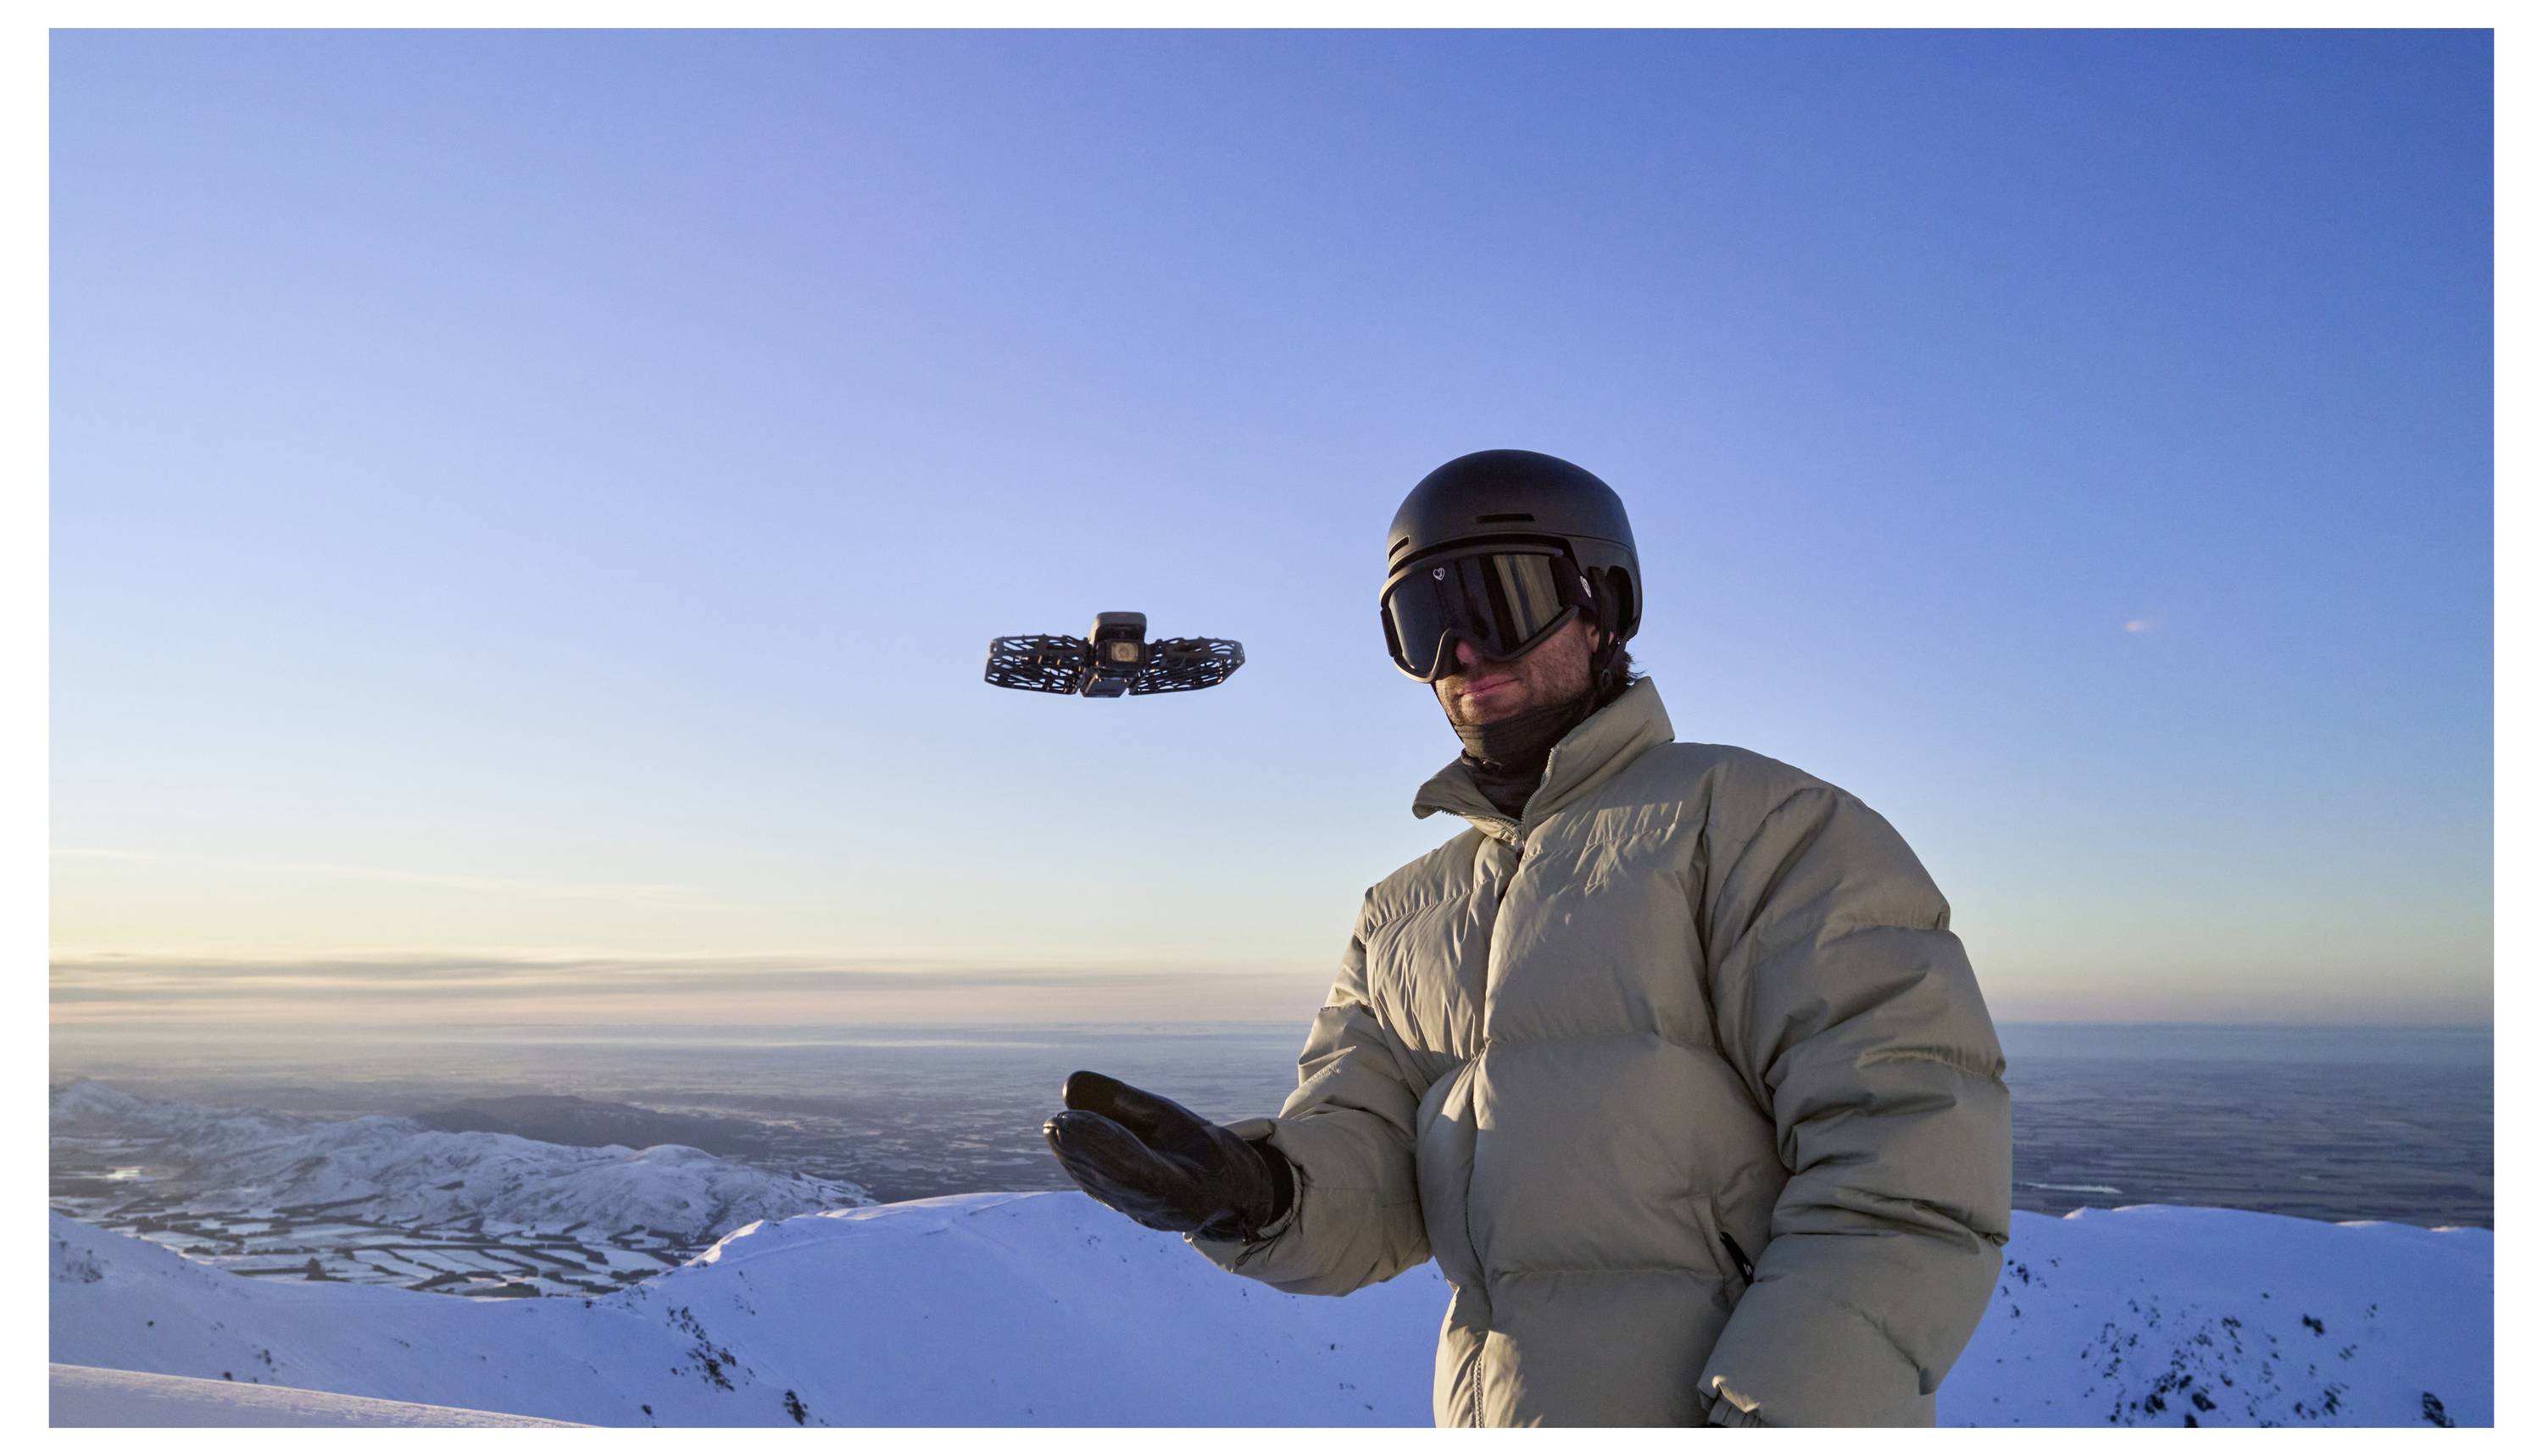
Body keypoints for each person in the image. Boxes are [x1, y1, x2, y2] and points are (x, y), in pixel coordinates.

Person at [1043, 448, 2012, 1427]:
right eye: (1423, 623)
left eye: (1499, 601)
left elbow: (1909, 1166)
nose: (1462, 654)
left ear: (1604, 605)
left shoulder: (1762, 828)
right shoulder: (1402, 914)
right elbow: (1373, 1175)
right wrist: (1253, 1191)